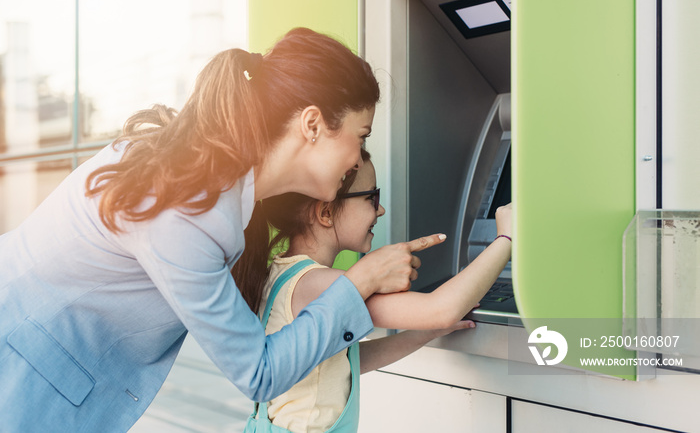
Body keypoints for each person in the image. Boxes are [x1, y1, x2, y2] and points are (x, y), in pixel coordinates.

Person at [0, 28, 444, 433]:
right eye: (360, 137)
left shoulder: (216, 186)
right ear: (312, 125)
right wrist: (361, 281)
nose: (358, 158)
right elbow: (260, 373)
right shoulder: (185, 208)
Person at [242, 149, 512, 432]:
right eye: (372, 197)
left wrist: (427, 333)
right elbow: (441, 309)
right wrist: (506, 238)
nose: (380, 209)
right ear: (325, 212)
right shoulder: (317, 285)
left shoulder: (281, 272)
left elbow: (344, 363)